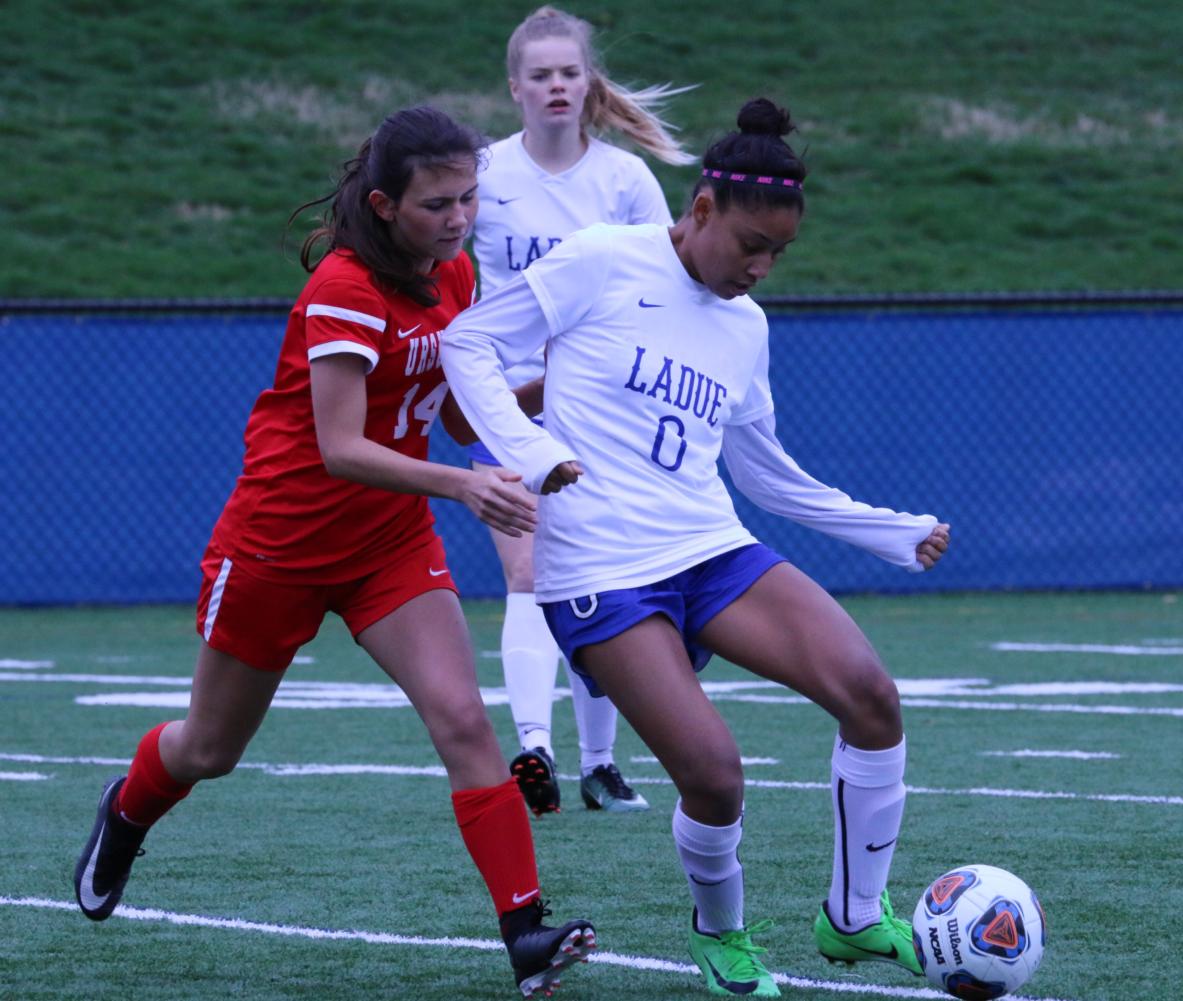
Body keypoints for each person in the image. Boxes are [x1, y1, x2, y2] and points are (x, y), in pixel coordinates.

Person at [72, 106, 595, 1000]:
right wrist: (466, 486)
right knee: (208, 749)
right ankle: (125, 811)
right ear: (387, 203)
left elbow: (460, 410)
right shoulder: (346, 287)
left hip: (388, 541)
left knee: (465, 721)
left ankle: (525, 931)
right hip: (280, 545)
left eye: (470, 197)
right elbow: (340, 448)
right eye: (438, 203)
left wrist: (560, 384)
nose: (460, 218)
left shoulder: (457, 273)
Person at [442, 98, 951, 998]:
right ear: (702, 208)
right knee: (715, 777)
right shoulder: (604, 260)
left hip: (709, 549)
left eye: (778, 254)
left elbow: (766, 476)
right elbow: (469, 342)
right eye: (750, 243)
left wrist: (888, 530)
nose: (759, 267)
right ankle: (721, 934)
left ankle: (853, 916)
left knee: (871, 695)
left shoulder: (744, 327)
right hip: (600, 573)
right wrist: (533, 455)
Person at [467, 5, 696, 818]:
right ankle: (535, 749)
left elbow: (663, 285)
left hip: (603, 410)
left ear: (587, 82)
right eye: (541, 75)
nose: (557, 85)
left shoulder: (625, 181)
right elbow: (445, 270)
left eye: (569, 72)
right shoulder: (484, 176)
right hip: (508, 404)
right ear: (515, 88)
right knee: (525, 573)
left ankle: (600, 763)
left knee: (598, 576)